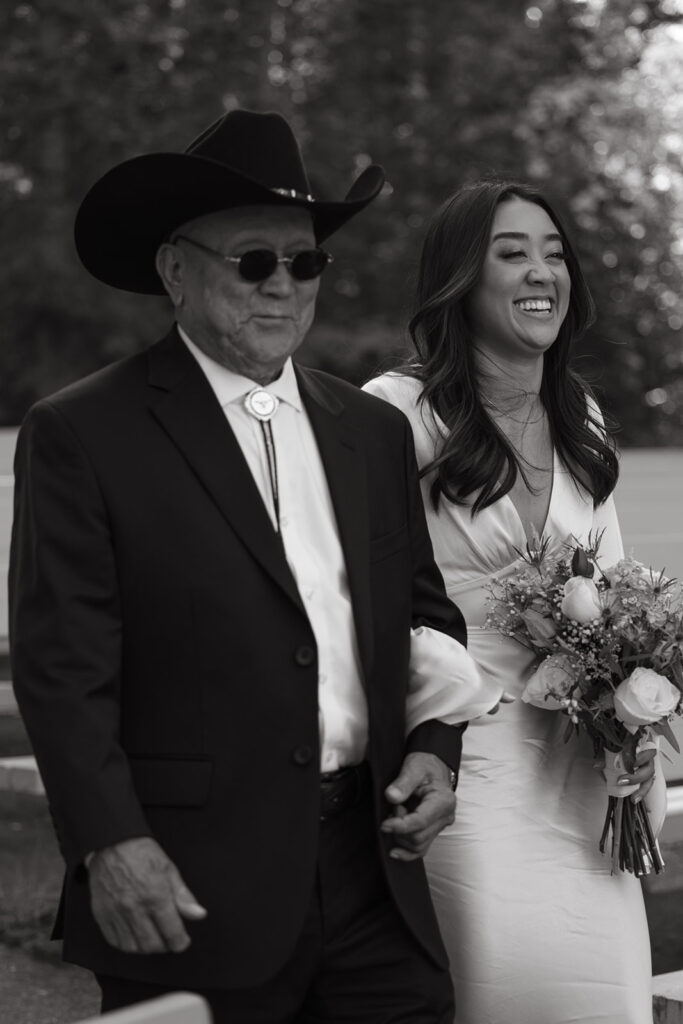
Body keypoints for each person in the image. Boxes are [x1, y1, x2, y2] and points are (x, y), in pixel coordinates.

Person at [9, 110, 499, 1024]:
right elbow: (61, 668)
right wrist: (110, 842)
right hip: (189, 881)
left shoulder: (372, 430)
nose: (284, 285)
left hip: (373, 879)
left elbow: (423, 615)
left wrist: (437, 748)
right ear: (174, 271)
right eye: (253, 261)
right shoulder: (82, 433)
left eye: (304, 261)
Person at [363, 180, 666, 1024]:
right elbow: (365, 598)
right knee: (498, 993)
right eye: (511, 253)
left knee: (605, 996)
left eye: (554, 252)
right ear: (459, 277)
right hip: (467, 764)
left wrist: (630, 724)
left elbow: (613, 600)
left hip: (578, 771)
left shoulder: (583, 418)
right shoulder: (396, 414)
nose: (542, 272)